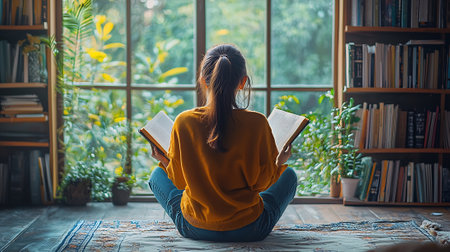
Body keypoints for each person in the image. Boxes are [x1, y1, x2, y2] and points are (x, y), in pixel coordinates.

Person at [149, 44, 297, 242]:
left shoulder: (184, 122)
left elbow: (180, 182)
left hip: (195, 228)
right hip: (249, 228)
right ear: (243, 82)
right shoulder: (257, 123)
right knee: (289, 175)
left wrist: (165, 160)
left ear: (203, 79)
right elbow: (261, 184)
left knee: (157, 174)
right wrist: (279, 161)